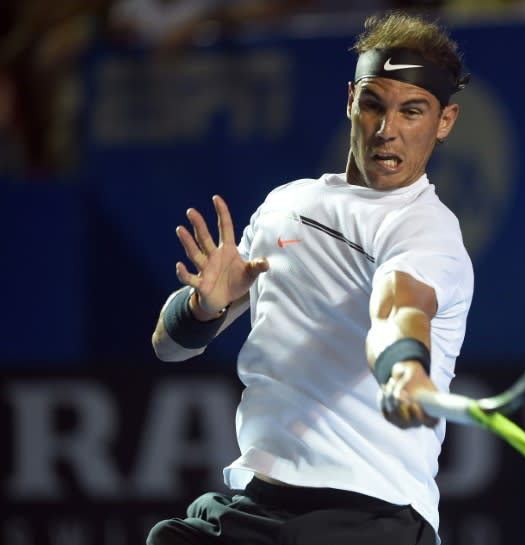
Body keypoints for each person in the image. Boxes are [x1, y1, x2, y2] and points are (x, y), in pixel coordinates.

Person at [147, 10, 474, 545]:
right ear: (351, 100)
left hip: (371, 517)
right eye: (374, 105)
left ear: (445, 121)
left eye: (412, 111)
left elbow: (400, 307)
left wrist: (403, 366)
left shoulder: (425, 229)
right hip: (258, 503)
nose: (388, 130)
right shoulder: (287, 204)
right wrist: (202, 309)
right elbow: (168, 348)